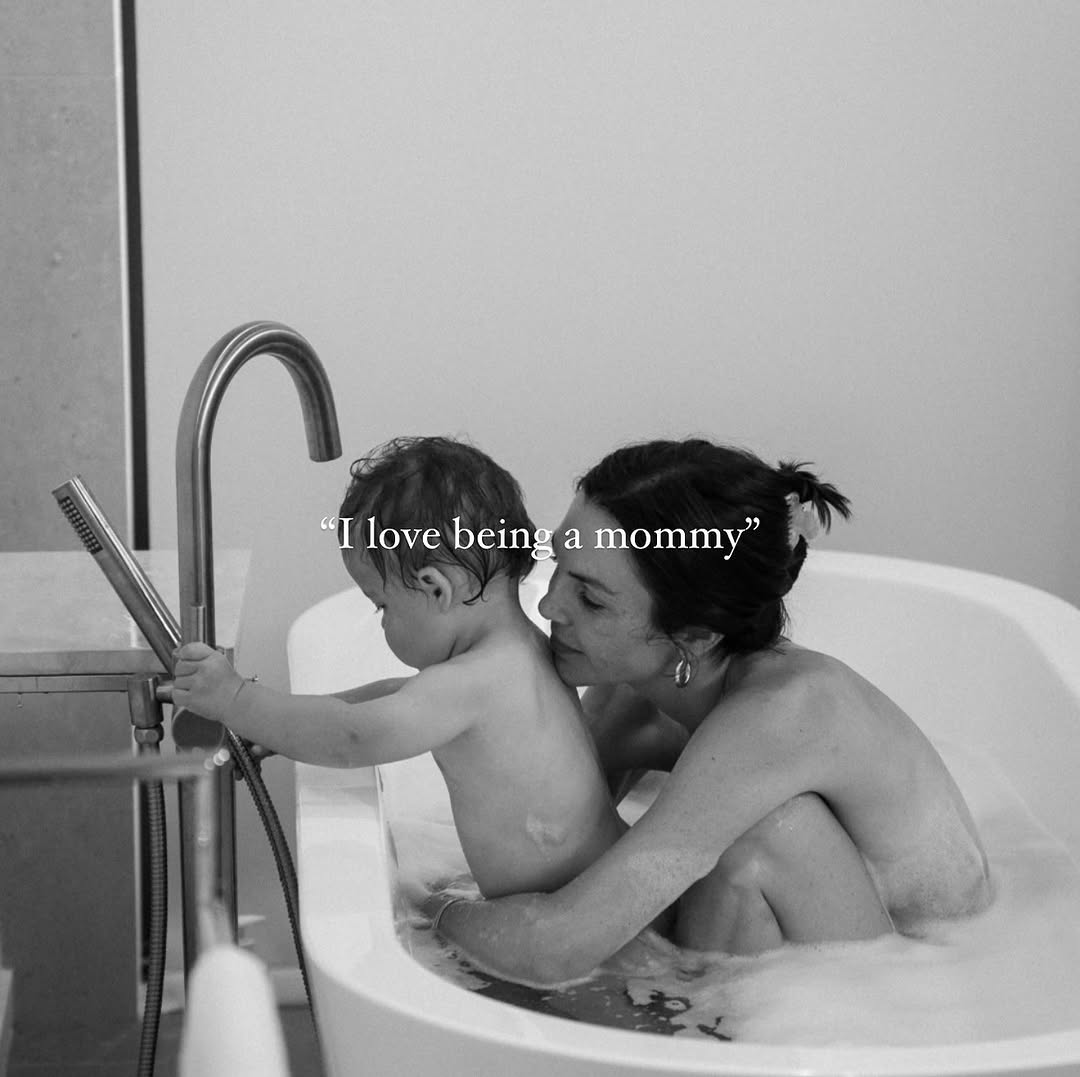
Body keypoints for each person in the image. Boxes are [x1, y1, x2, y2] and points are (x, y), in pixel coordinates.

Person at [423, 439, 992, 986]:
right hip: (851, 944)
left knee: (766, 836)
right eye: (559, 566)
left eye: (591, 599)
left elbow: (558, 946)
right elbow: (550, 842)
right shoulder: (638, 686)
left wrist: (426, 911)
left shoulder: (782, 715)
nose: (549, 606)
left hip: (921, 974)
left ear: (694, 636)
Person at [172, 436, 623, 899]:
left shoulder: (471, 684)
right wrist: (274, 722)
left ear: (437, 589)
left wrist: (237, 700)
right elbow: (394, 697)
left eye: (382, 605)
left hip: (568, 916)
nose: (383, 621)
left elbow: (352, 737)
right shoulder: (522, 653)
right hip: (601, 894)